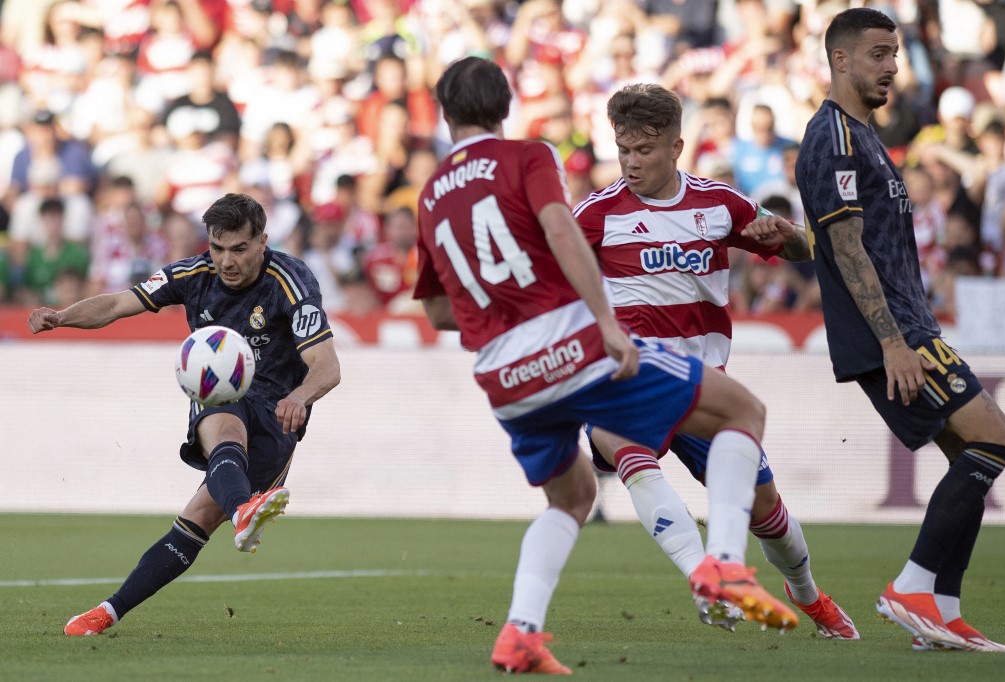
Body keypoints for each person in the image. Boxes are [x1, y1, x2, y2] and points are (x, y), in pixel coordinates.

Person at [414, 56, 797, 675]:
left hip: (502, 376)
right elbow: (564, 234)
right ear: (505, 108)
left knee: (572, 498)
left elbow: (436, 312)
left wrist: (501, 317)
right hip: (568, 348)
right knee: (743, 410)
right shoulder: (528, 157)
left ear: (445, 113)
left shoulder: (431, 192)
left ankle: (520, 632)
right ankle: (723, 561)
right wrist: (604, 322)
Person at [573, 83, 858, 639]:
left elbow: (801, 252)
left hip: (707, 389)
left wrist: (787, 236)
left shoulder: (720, 204)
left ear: (677, 148)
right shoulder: (595, 216)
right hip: (632, 379)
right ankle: (707, 577)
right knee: (621, 444)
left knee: (769, 517)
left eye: (645, 151)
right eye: (623, 149)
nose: (631, 162)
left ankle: (809, 596)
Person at [795, 7, 1005, 653]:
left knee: (968, 457)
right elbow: (847, 245)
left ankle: (940, 611)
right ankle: (912, 587)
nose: (892, 65)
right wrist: (893, 341)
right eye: (878, 53)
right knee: (995, 440)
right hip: (891, 332)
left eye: (894, 53)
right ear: (840, 59)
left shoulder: (863, 135)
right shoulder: (833, 137)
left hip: (907, 324)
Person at [27, 192, 341, 637]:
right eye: (217, 248)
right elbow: (119, 304)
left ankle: (238, 510)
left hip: (278, 412)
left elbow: (328, 367)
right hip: (220, 392)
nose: (226, 261)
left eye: (239, 249)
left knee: (198, 520)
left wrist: (302, 396)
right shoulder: (193, 274)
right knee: (221, 409)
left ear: (262, 242)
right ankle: (107, 613)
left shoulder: (291, 280)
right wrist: (62, 316)